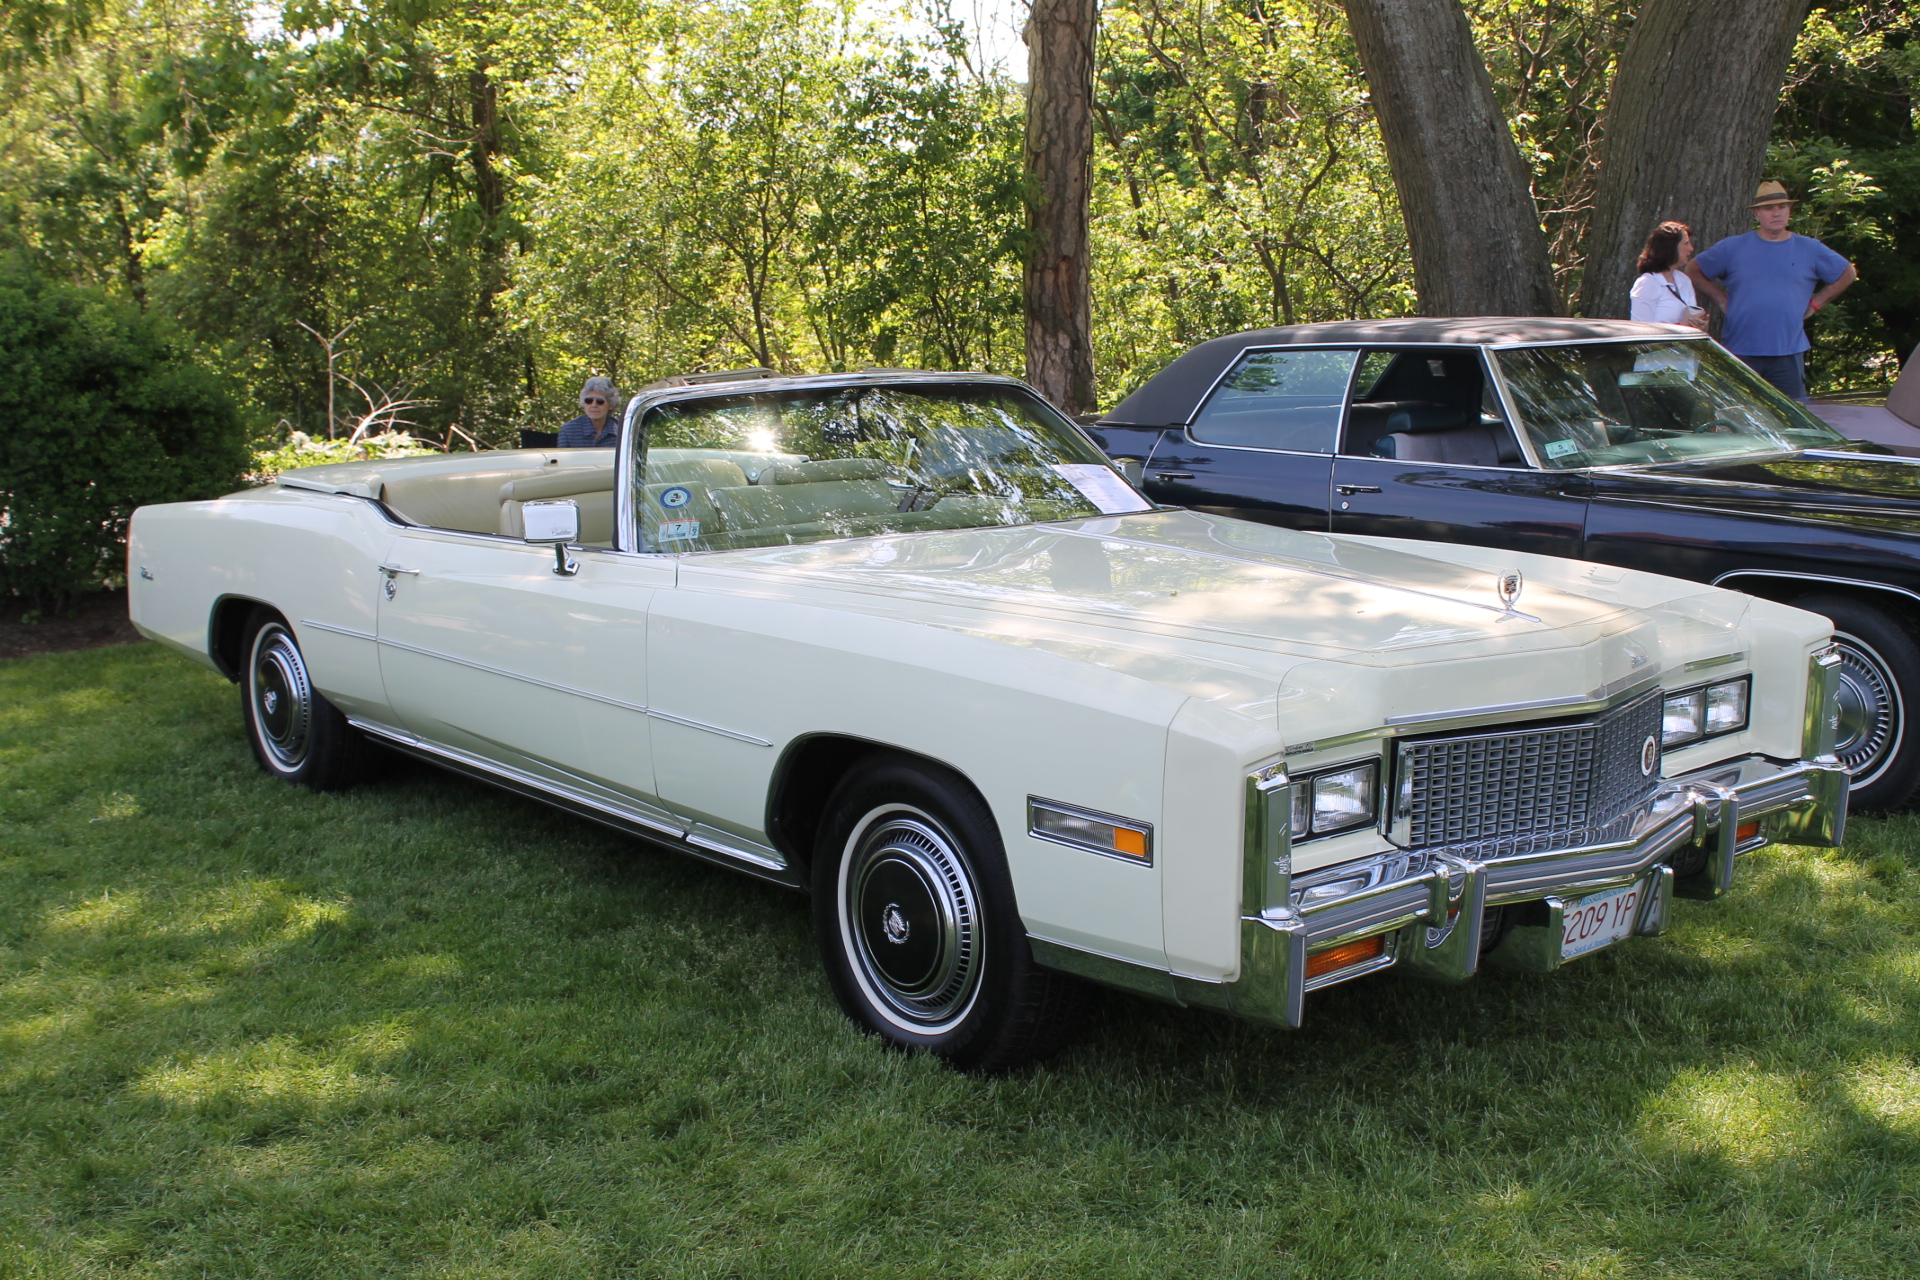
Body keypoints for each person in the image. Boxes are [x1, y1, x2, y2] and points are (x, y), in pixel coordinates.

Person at [1687, 180, 1858, 402]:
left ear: (1789, 211)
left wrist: (1816, 304)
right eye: (1769, 208)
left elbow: (1848, 273)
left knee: (1793, 421)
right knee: (1739, 417)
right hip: (1742, 349)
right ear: (1757, 214)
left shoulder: (1810, 248)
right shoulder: (1732, 247)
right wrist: (1721, 299)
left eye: (1782, 207)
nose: (1776, 213)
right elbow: (1693, 269)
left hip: (1788, 351)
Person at [1629, 221, 1708, 329]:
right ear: (1670, 247)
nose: (1691, 248)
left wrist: (1700, 326)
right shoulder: (1647, 284)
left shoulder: (1683, 280)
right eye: (1686, 243)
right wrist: (1682, 326)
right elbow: (1639, 332)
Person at [559, 376, 621, 448]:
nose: (594, 405)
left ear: (611, 405)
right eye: (589, 401)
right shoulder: (569, 430)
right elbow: (563, 458)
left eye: (600, 401)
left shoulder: (621, 430)